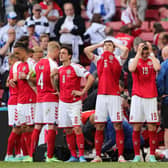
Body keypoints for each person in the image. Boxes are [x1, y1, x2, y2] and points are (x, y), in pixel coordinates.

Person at [84, 40, 129, 162]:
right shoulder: (98, 59)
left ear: (114, 48)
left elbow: (126, 50)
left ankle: (120, 155)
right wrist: (100, 44)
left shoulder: (118, 59)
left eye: (109, 45)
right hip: (101, 96)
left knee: (117, 125)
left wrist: (115, 45)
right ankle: (98, 155)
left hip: (114, 95)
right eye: (105, 45)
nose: (107, 46)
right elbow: (86, 50)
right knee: (99, 125)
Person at [23, 41, 61, 162]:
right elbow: (54, 78)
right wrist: (57, 90)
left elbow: (29, 77)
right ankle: (49, 156)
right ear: (54, 50)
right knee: (51, 125)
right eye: (58, 52)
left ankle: (30, 155)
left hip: (39, 98)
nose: (58, 55)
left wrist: (35, 90)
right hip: (50, 97)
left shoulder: (37, 64)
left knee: (37, 126)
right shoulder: (52, 63)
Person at [57, 46, 94, 162]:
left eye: (63, 53)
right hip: (63, 102)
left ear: (69, 56)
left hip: (74, 103)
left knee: (77, 129)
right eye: (60, 53)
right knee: (67, 130)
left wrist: (83, 91)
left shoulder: (76, 67)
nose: (61, 55)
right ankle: (73, 156)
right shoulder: (58, 69)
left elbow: (91, 77)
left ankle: (82, 155)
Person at [129, 42, 160, 162]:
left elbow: (158, 68)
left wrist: (151, 53)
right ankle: (137, 155)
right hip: (138, 96)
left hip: (151, 96)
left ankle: (151, 155)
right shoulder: (134, 59)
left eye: (146, 50)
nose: (145, 52)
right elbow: (131, 69)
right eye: (143, 49)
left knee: (152, 126)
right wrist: (138, 53)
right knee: (137, 126)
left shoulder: (153, 59)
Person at [13, 41, 36, 157]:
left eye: (17, 53)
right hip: (21, 100)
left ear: (23, 52)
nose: (16, 56)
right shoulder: (19, 65)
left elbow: (39, 80)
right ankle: (26, 154)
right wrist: (13, 81)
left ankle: (31, 154)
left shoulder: (32, 63)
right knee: (23, 127)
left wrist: (27, 77)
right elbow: (18, 80)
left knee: (29, 127)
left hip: (30, 99)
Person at [5, 54, 22, 161]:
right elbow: (11, 81)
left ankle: (18, 153)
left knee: (18, 129)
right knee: (16, 128)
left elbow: (7, 83)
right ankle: (9, 154)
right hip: (15, 100)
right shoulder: (16, 66)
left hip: (16, 100)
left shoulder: (13, 68)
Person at [157, 46, 168, 161]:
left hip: (167, 99)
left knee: (167, 128)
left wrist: (160, 94)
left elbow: (159, 80)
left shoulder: (164, 65)